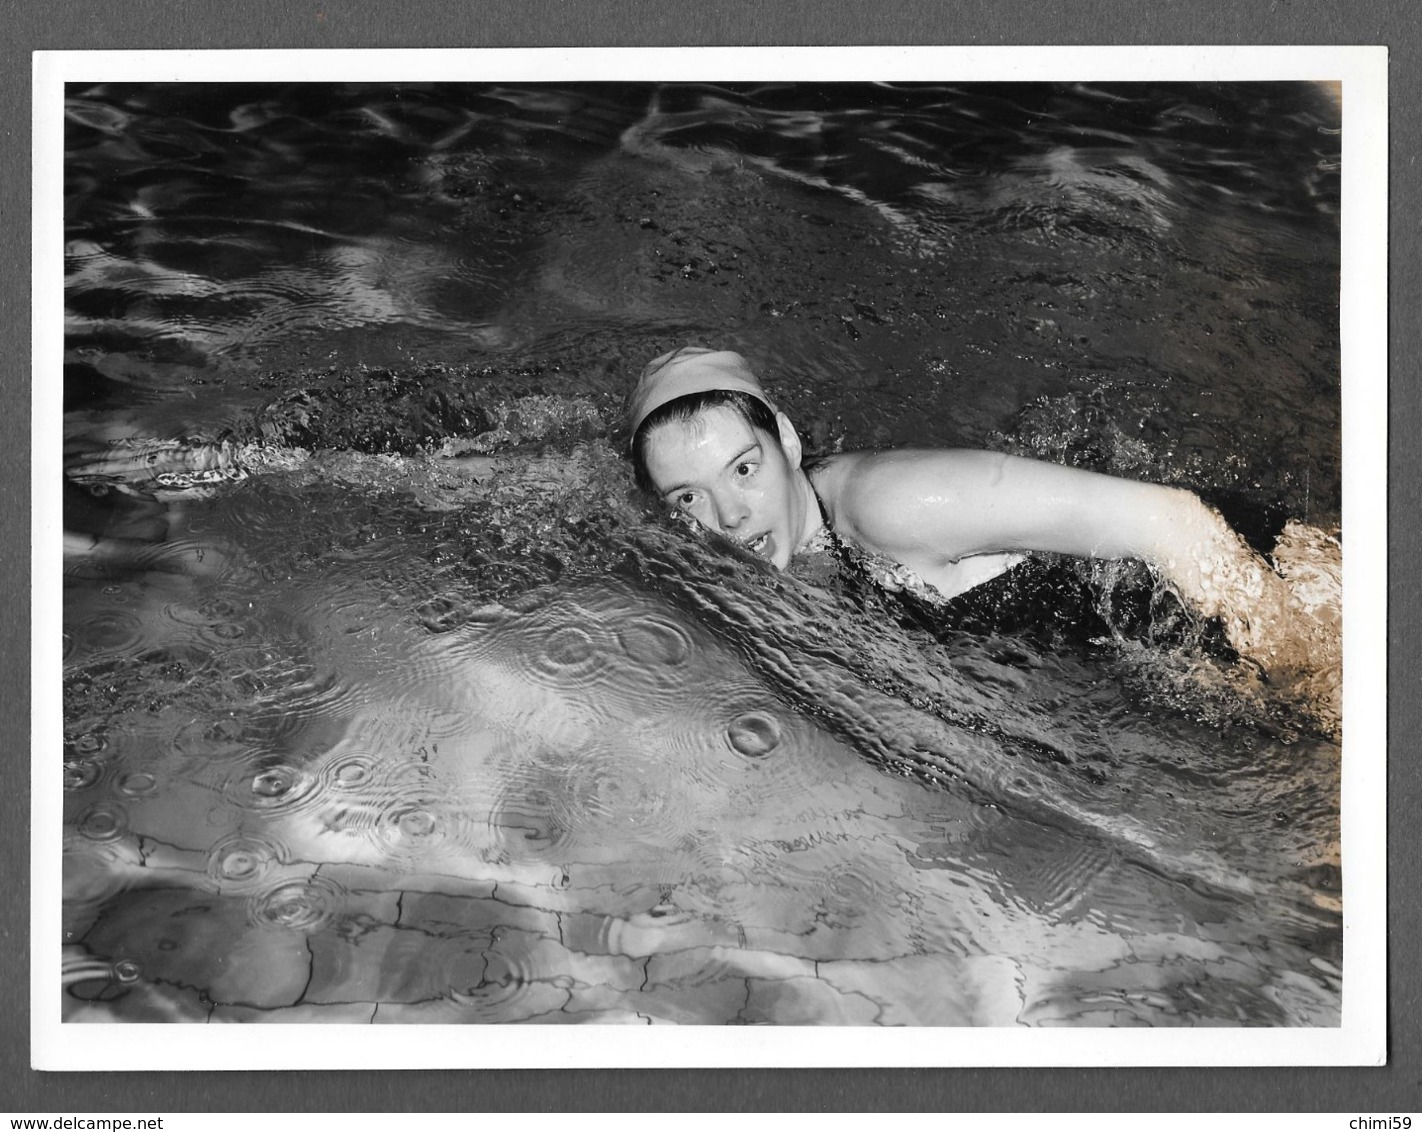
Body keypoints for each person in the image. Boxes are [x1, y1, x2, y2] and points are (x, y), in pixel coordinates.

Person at [628, 345, 1310, 672]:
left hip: (1272, 589)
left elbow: (1178, 526)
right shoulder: (786, 551)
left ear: (786, 439)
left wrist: (1301, 674)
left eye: (743, 470)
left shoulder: (892, 507)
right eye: (689, 498)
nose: (729, 517)